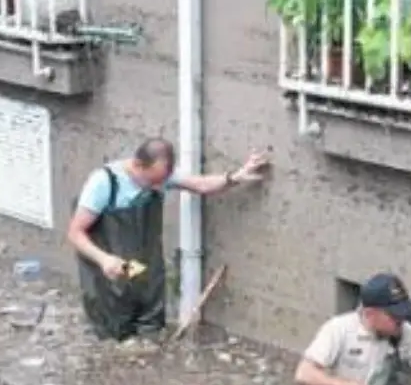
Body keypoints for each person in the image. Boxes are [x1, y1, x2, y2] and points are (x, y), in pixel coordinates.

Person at [66, 138, 268, 342]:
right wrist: (103, 259)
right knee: (112, 332)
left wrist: (235, 177)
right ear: (137, 165)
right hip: (108, 271)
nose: (158, 186)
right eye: (153, 181)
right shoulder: (103, 183)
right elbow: (75, 233)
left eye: (162, 181)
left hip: (141, 266)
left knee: (149, 326)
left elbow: (201, 184)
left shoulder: (161, 176)